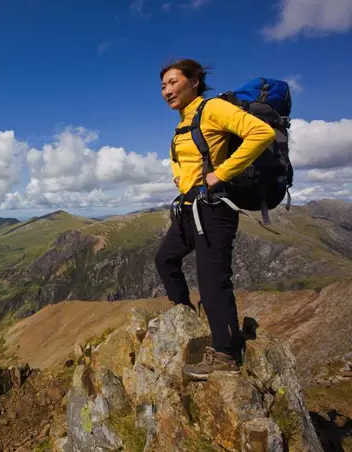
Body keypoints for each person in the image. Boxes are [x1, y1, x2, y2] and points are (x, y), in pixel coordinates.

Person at [155, 59, 276, 380]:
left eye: (172, 82)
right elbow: (182, 159)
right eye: (163, 86)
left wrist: (221, 173)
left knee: (212, 282)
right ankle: (185, 317)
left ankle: (225, 353)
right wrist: (181, 179)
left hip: (214, 209)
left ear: (195, 80)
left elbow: (260, 133)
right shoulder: (185, 119)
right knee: (165, 259)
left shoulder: (212, 109)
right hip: (189, 207)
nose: (166, 90)